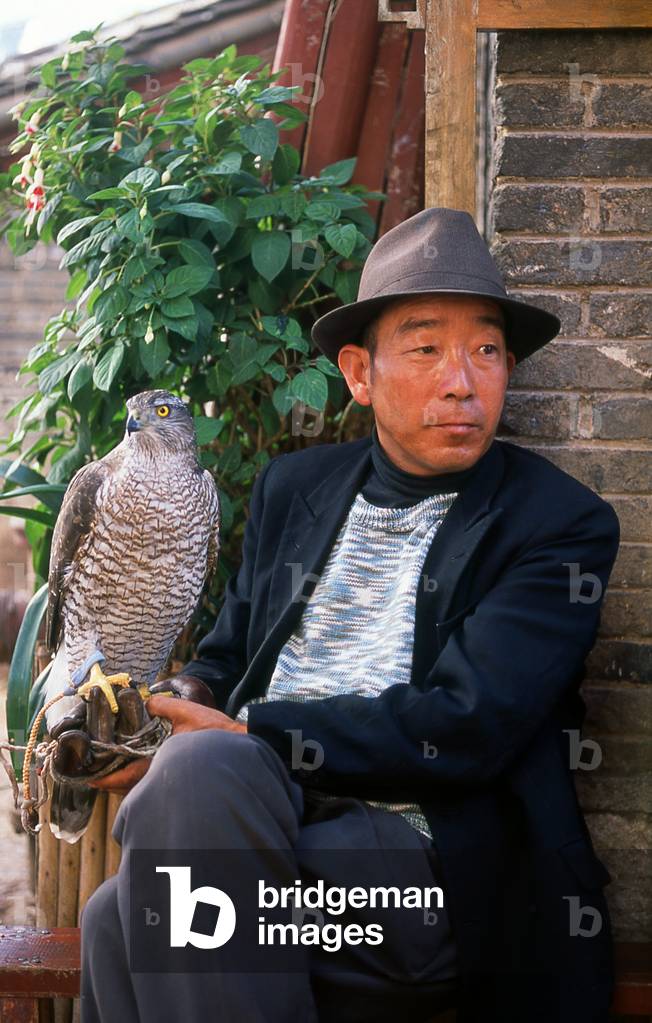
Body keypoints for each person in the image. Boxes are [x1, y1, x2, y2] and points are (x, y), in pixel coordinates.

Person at [80, 208, 620, 1023]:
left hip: (429, 874)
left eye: (486, 351)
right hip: (261, 824)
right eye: (427, 349)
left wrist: (246, 734)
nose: (462, 381)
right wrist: (171, 705)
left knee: (155, 877)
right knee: (118, 915)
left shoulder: (556, 524)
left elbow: (466, 725)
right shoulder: (295, 488)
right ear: (360, 374)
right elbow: (225, 658)